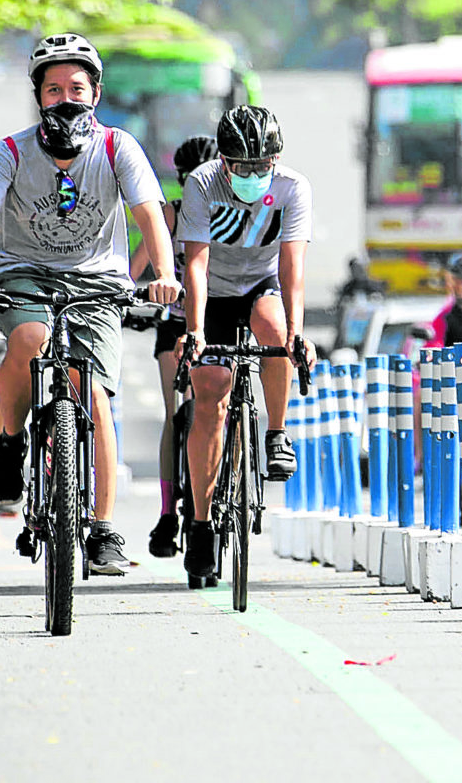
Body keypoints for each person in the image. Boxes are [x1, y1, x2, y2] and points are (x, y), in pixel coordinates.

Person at [0, 33, 182, 575]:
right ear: (38, 96)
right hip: (23, 275)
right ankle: (10, 440)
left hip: (97, 283)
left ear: (95, 93)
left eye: (76, 87)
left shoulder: (118, 148)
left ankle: (104, 528)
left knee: (93, 395)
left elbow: (149, 216)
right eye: (52, 89)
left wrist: (164, 275)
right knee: (29, 338)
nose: (64, 98)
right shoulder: (11, 151)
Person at [168, 104, 316, 581]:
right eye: (242, 166)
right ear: (225, 161)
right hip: (211, 291)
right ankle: (201, 525)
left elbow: (292, 265)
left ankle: (276, 432)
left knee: (275, 332)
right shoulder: (203, 183)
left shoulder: (293, 188)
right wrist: (194, 329)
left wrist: (297, 332)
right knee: (209, 396)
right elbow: (196, 262)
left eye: (262, 166)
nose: (252, 175)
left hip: (259, 286)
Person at [129, 134, 218, 558]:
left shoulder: (232, 214)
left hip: (219, 319)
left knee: (218, 406)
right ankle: (168, 511)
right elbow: (134, 270)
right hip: (176, 322)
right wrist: (130, 299)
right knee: (174, 411)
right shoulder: (170, 214)